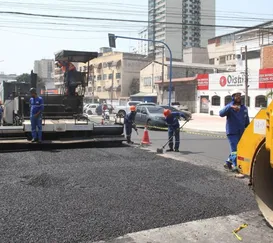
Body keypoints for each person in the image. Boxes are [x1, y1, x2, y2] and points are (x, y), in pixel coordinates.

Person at [219, 89, 250, 172]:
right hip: (232, 132)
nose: (238, 97)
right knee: (235, 151)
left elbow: (247, 121)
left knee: (238, 149)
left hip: (241, 132)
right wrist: (230, 107)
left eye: (240, 95)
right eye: (236, 95)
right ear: (233, 97)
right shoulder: (229, 106)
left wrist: (248, 130)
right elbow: (221, 113)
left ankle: (228, 163)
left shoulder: (244, 108)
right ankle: (236, 167)